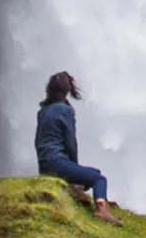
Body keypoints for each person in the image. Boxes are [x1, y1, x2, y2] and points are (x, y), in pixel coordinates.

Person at [36, 71, 122, 226]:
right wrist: (73, 164)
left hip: (44, 163)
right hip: (57, 161)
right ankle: (101, 209)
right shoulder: (65, 110)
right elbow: (70, 142)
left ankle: (74, 190)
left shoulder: (43, 111)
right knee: (99, 179)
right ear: (68, 90)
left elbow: (38, 140)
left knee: (94, 173)